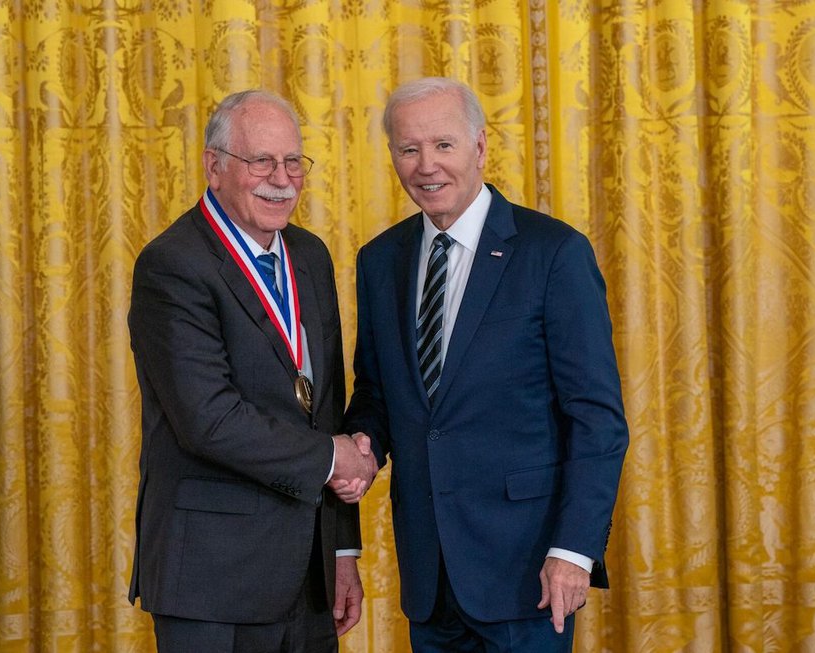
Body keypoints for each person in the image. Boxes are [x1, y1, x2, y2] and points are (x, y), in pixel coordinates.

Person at [341, 77, 629, 651]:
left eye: (443, 145)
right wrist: (359, 448)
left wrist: (573, 551)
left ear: (480, 147)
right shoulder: (380, 261)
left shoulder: (553, 253)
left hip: (530, 572)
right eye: (409, 149)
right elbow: (377, 390)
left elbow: (597, 417)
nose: (427, 166)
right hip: (430, 573)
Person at [127, 89, 377, 653]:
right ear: (214, 167)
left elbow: (326, 404)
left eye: (293, 162)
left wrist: (340, 552)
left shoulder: (309, 256)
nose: (281, 178)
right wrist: (336, 458)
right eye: (261, 160)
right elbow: (207, 418)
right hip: (213, 582)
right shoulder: (173, 264)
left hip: (309, 576)